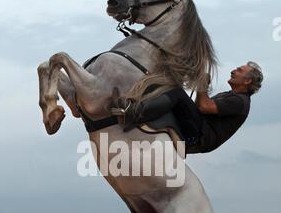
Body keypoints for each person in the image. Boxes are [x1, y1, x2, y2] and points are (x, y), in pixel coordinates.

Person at [110, 61, 263, 154]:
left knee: (176, 92)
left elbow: (203, 107)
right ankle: (132, 104)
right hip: (198, 128)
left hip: (199, 137)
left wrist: (202, 85)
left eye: (239, 70)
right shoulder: (230, 96)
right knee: (168, 87)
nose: (233, 71)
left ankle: (132, 113)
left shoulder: (239, 101)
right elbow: (198, 108)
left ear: (248, 81)